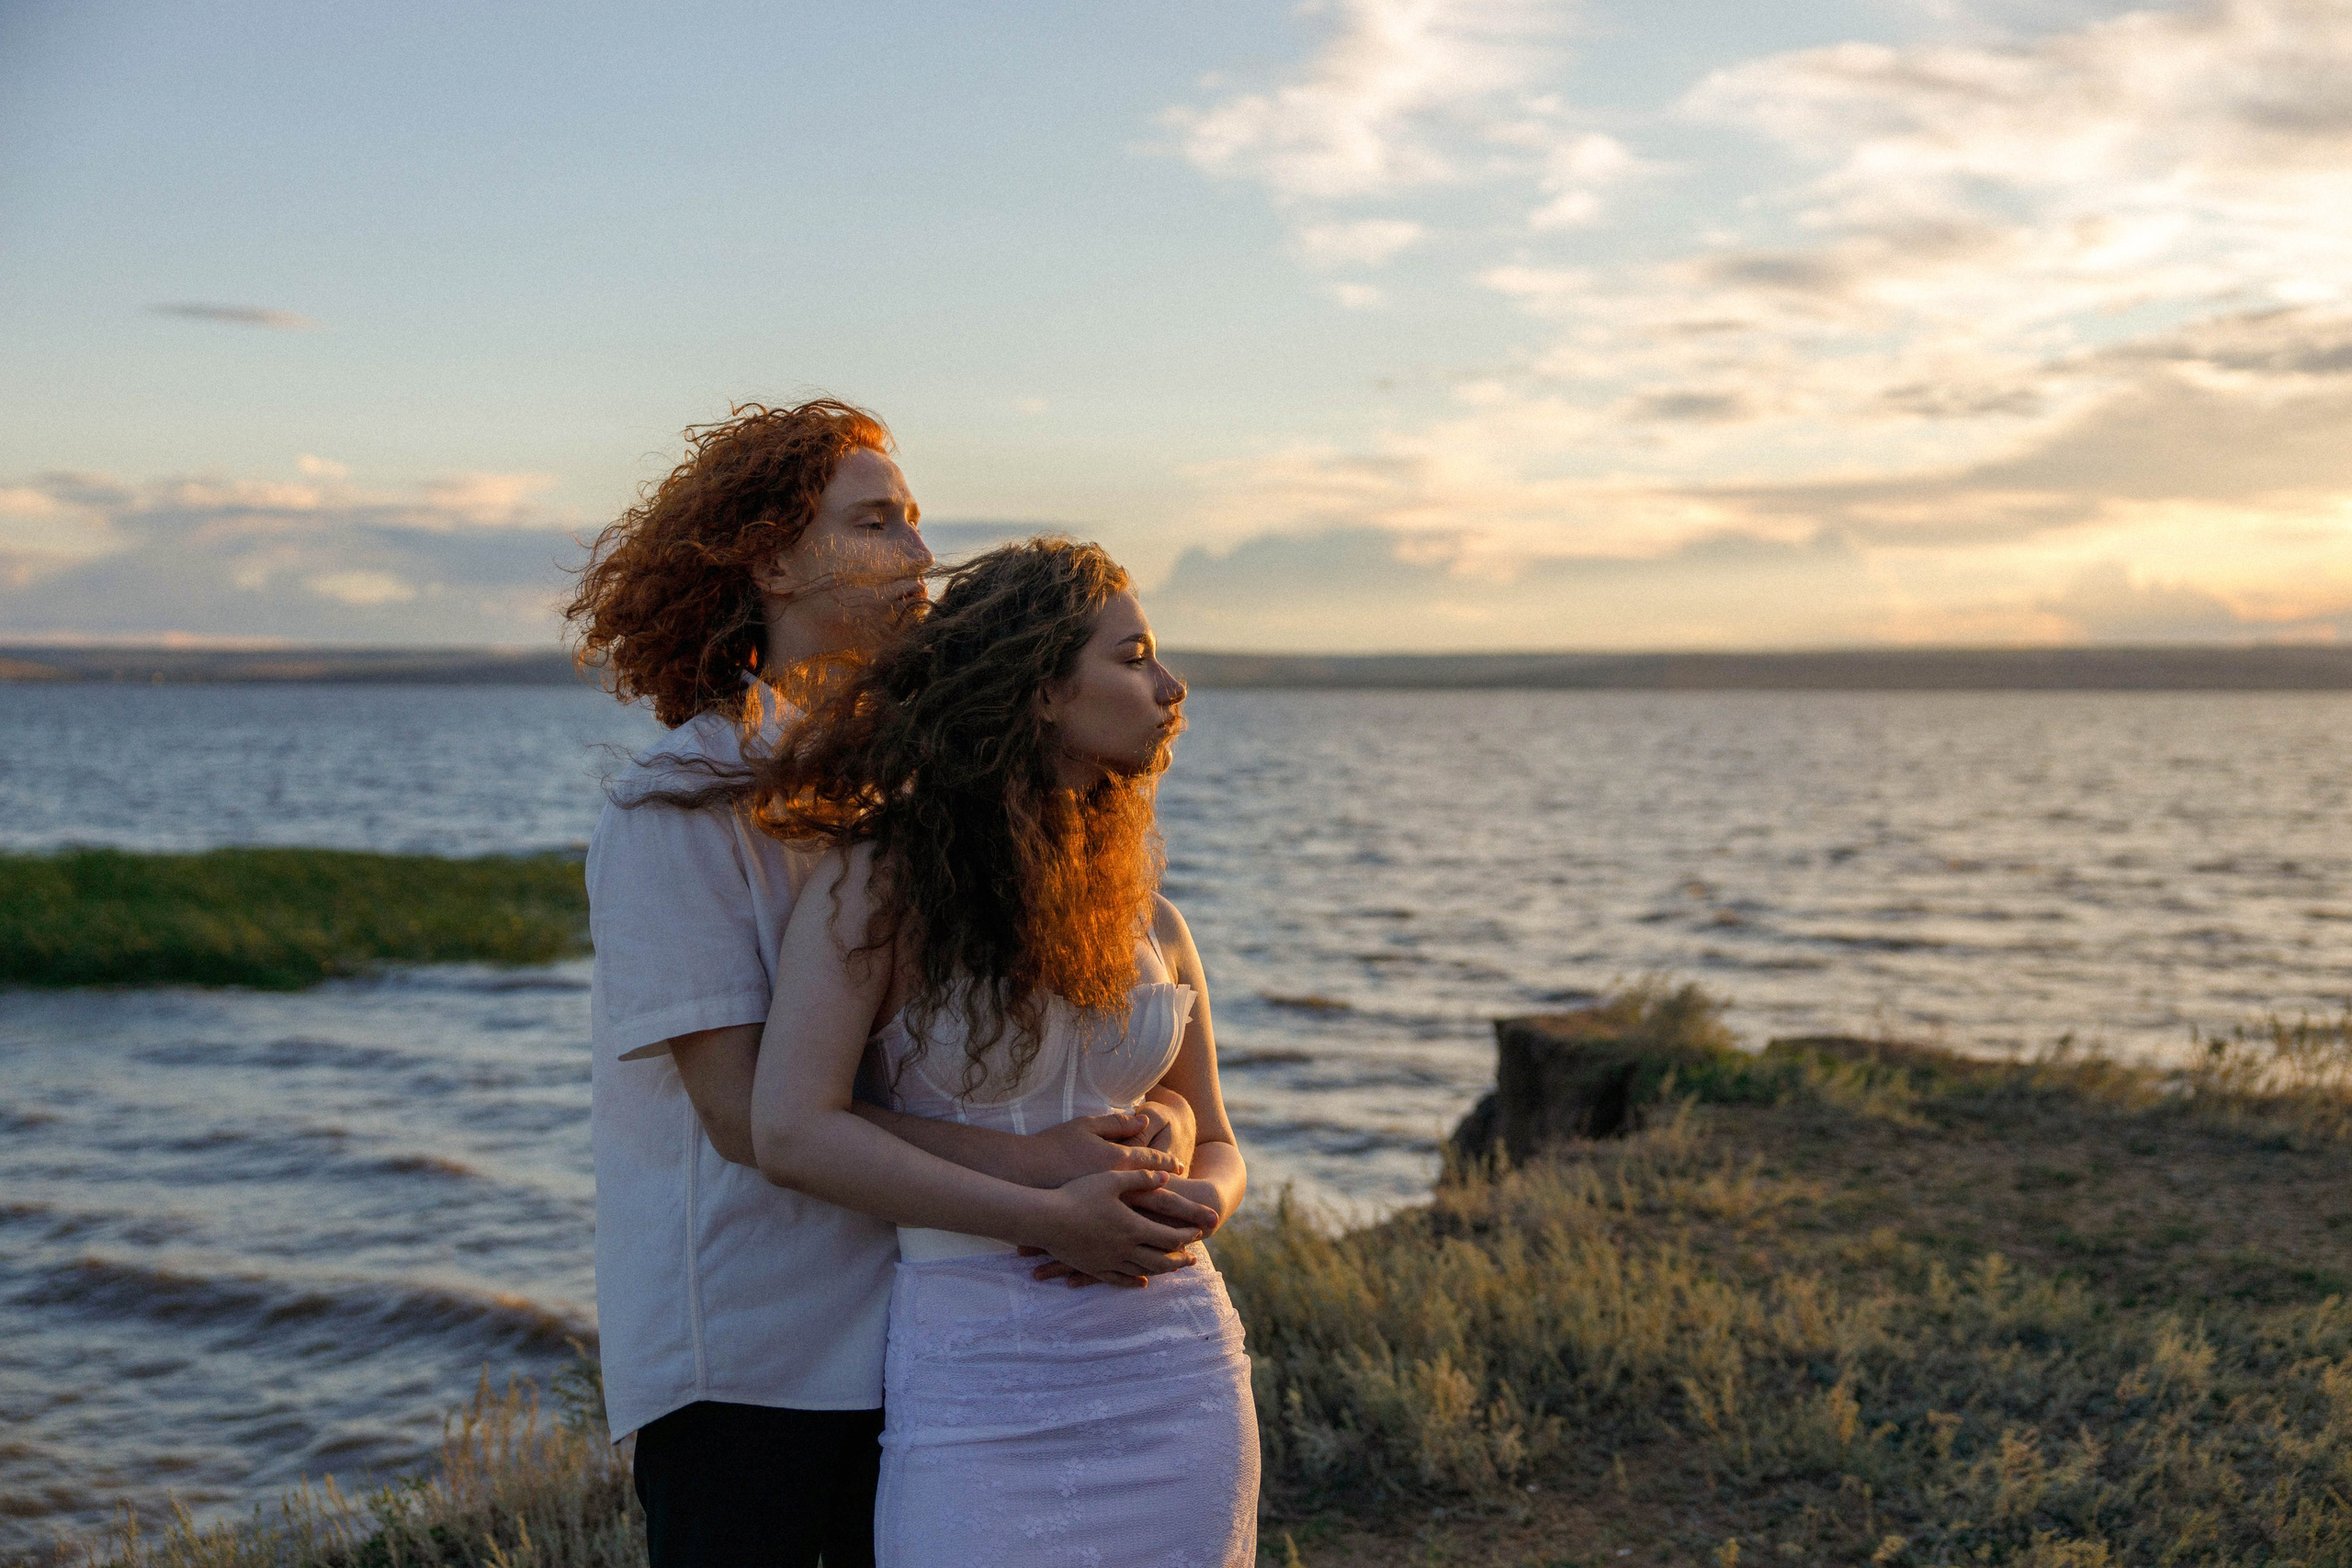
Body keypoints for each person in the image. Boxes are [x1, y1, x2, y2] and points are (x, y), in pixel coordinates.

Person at [565, 404, 1209, 1568]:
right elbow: (746, 1116)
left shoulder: (890, 798)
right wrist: (1052, 1164)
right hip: (757, 1353)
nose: (920, 560)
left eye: (915, 523)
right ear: (770, 559)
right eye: (876, 524)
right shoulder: (679, 809)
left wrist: (1148, 1120)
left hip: (920, 1326)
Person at [746, 538, 1258, 1568]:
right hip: (981, 1382)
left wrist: (1195, 1196)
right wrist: (1047, 1218)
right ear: (1040, 692)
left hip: (1175, 1362)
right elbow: (791, 1129)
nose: (1170, 685)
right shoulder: (874, 889)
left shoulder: (1148, 914)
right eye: (1134, 657)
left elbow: (1220, 1140)